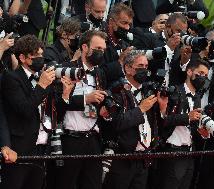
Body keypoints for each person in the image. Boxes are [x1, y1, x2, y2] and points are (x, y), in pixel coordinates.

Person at [0, 34, 73, 189]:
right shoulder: (11, 78)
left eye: (41, 55)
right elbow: (25, 109)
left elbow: (53, 114)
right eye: (36, 56)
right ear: (22, 58)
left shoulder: (43, 79)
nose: (40, 59)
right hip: (18, 150)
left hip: (41, 149)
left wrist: (65, 96)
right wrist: (41, 86)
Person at [53, 30, 109, 189]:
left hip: (93, 138)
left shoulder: (100, 73)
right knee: (66, 184)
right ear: (85, 47)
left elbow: (98, 104)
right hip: (70, 138)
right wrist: (86, 99)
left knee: (93, 184)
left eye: (103, 50)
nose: (101, 53)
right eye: (97, 48)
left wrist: (103, 109)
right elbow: (58, 102)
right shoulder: (66, 69)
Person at [103, 50, 167, 189]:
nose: (144, 70)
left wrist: (162, 110)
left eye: (146, 66)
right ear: (128, 68)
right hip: (122, 158)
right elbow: (117, 123)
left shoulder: (148, 90)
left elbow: (156, 124)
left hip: (143, 158)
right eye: (140, 66)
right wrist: (140, 109)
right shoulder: (116, 91)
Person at [159, 59, 210, 189]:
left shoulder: (197, 97)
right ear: (189, 71)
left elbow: (192, 125)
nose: (203, 77)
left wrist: (202, 132)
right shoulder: (174, 91)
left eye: (206, 75)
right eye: (201, 73)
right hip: (172, 151)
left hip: (189, 153)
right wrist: (187, 117)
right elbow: (163, 120)